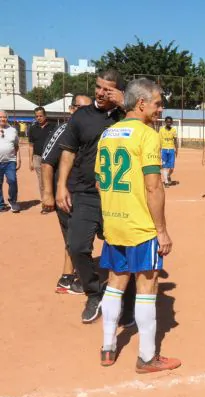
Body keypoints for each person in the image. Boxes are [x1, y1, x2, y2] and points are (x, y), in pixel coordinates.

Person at [96, 78, 180, 373]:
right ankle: (147, 357)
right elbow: (154, 187)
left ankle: (108, 348)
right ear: (141, 103)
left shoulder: (108, 133)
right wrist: (162, 230)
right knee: (147, 287)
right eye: (157, 103)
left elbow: (98, 181)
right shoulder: (147, 135)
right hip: (140, 226)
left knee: (115, 284)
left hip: (114, 225)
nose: (161, 108)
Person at [56, 70, 136, 324]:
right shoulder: (82, 115)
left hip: (118, 195)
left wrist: (125, 104)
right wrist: (61, 186)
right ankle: (93, 292)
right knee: (78, 245)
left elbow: (148, 134)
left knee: (124, 250)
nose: (101, 93)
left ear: (119, 92)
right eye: (99, 87)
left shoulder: (129, 116)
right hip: (86, 192)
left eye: (107, 89)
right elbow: (68, 152)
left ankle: (129, 301)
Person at [41, 94, 93, 294]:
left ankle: (66, 277)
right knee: (77, 237)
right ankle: (81, 278)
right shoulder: (64, 129)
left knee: (72, 237)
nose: (86, 113)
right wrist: (48, 194)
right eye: (81, 108)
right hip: (67, 194)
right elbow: (46, 162)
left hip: (84, 192)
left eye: (89, 109)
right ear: (71, 109)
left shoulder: (90, 129)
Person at [29, 106, 55, 211]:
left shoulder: (53, 127)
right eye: (36, 116)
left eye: (40, 116)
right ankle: (45, 203)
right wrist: (30, 161)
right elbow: (31, 145)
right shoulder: (32, 129)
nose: (39, 118)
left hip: (50, 157)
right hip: (37, 157)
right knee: (41, 181)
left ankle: (53, 200)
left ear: (45, 116)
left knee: (51, 179)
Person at [0, 110, 21, 213]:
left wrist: (18, 158)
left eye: (4, 117)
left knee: (12, 181)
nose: (3, 119)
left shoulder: (13, 130)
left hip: (10, 161)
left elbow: (17, 145)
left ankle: (13, 202)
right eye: (0, 117)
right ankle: (1, 204)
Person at [159, 116, 178, 187]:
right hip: (163, 150)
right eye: (167, 122)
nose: (169, 123)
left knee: (172, 168)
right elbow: (159, 140)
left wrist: (177, 150)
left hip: (171, 150)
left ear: (172, 122)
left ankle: (168, 175)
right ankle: (166, 182)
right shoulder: (161, 130)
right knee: (164, 167)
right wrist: (159, 150)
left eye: (170, 122)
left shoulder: (173, 130)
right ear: (165, 122)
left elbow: (175, 140)